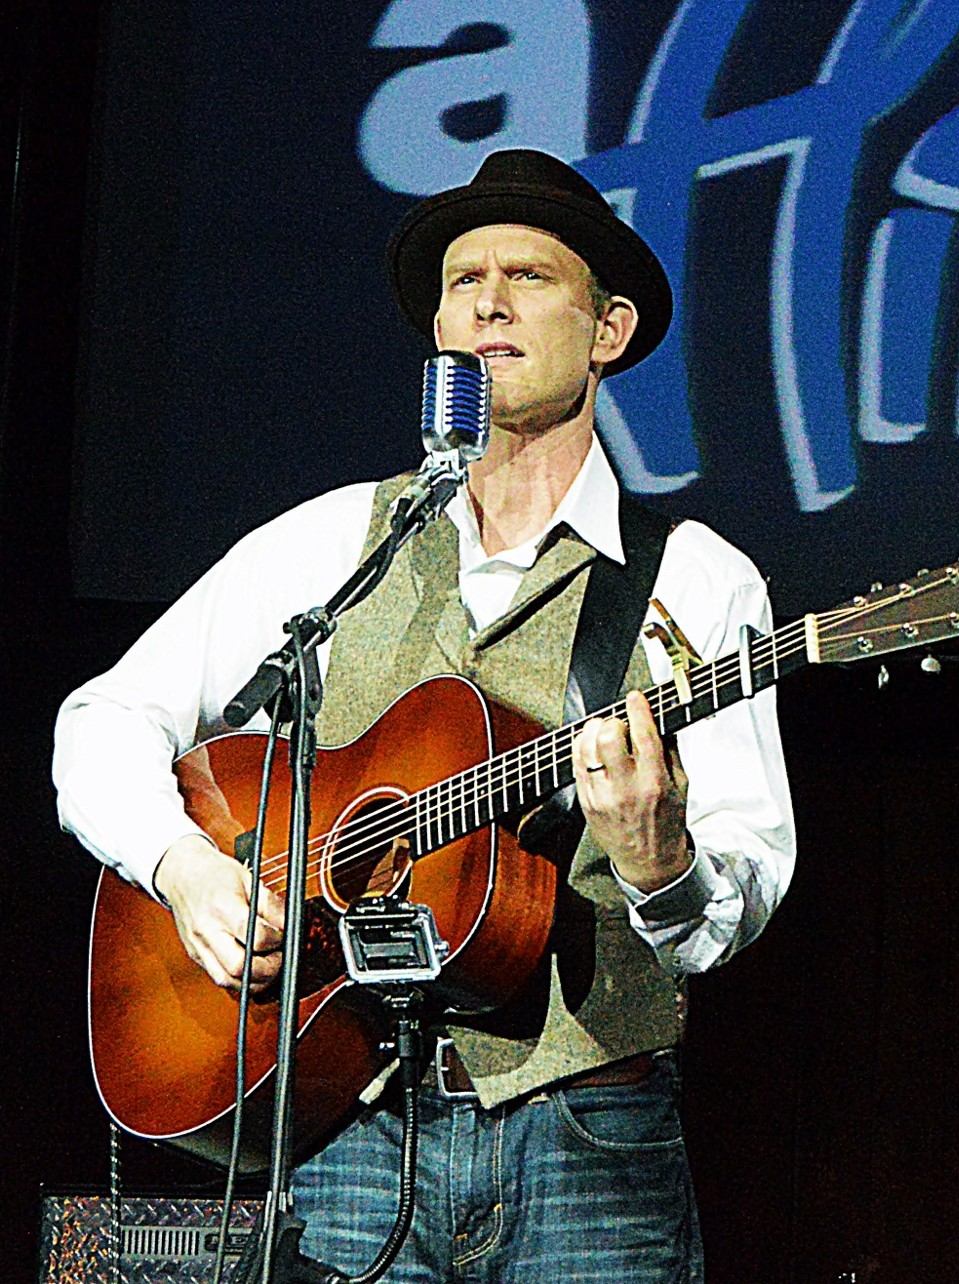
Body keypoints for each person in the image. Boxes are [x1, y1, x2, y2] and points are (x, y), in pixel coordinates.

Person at [54, 149, 795, 1282]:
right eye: (463, 281)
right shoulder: (334, 541)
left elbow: (723, 908)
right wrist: (182, 869)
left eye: (529, 277)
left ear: (608, 332)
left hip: (585, 1139)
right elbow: (101, 722)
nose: (487, 300)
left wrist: (661, 862)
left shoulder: (694, 583)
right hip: (347, 1123)